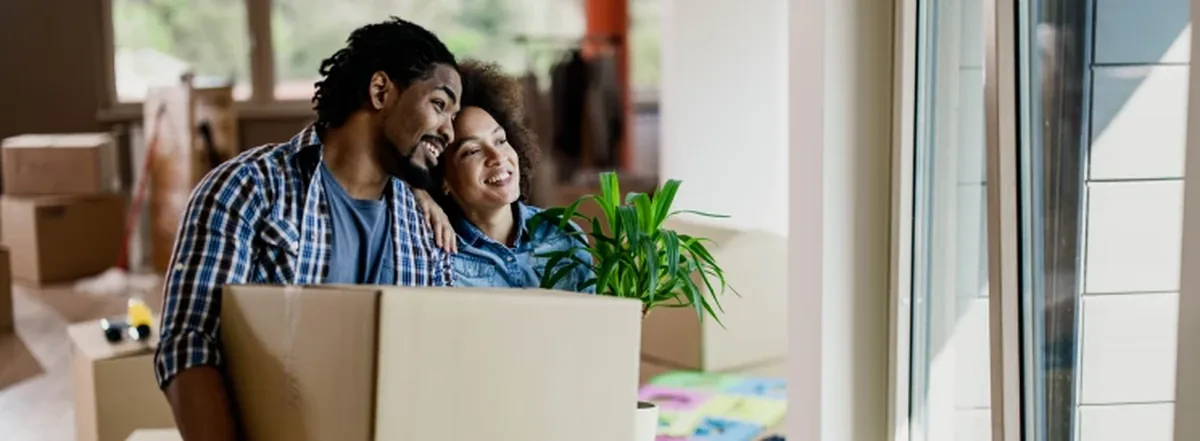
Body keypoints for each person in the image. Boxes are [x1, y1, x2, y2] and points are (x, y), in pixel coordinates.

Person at [153, 17, 459, 440]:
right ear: (380, 91)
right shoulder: (246, 189)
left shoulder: (426, 228)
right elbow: (190, 342)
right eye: (440, 105)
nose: (449, 131)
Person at [414, 60, 594, 292]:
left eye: (500, 140)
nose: (497, 156)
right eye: (472, 151)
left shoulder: (563, 236)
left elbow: (591, 323)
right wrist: (417, 189)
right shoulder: (436, 254)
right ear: (442, 178)